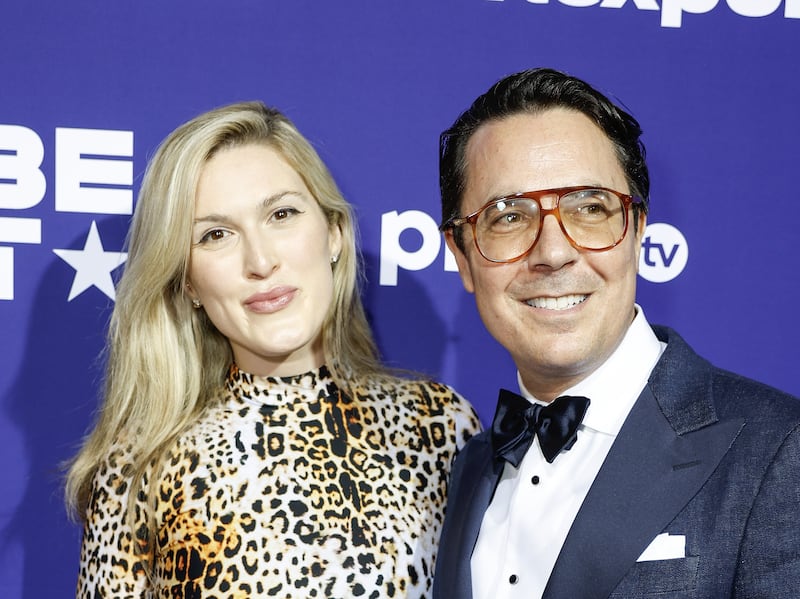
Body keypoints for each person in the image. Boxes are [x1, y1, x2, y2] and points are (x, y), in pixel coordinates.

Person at [64, 101, 480, 598]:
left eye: (281, 214)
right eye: (215, 235)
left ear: (334, 234)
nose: (260, 261)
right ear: (188, 282)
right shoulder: (142, 463)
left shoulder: (437, 427)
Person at [433, 68, 800, 599]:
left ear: (638, 232)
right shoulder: (470, 469)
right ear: (463, 257)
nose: (553, 252)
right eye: (508, 216)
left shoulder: (780, 451)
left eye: (589, 208)